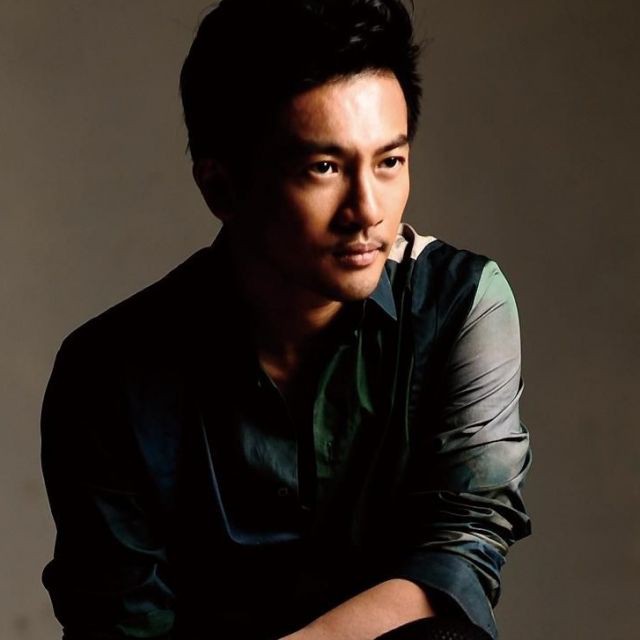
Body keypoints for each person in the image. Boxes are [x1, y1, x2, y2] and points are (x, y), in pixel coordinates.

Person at [40, 1, 531, 639]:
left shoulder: (459, 305)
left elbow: (461, 552)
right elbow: (119, 619)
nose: (367, 211)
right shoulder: (107, 374)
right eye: (323, 168)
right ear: (221, 188)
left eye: (389, 161)